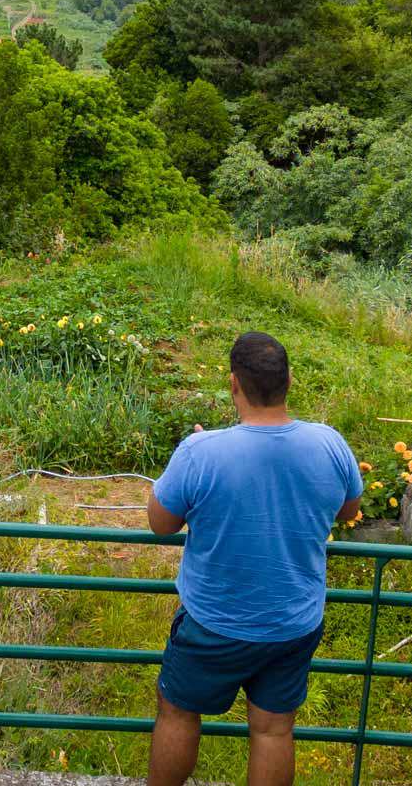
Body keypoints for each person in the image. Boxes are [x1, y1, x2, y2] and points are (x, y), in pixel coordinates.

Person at [146, 331, 364, 786]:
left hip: (213, 622)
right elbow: (348, 510)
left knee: (179, 714)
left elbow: (160, 523)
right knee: (272, 730)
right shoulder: (329, 443)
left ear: (233, 385)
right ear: (289, 381)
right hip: (293, 622)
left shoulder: (201, 452)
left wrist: (196, 454)